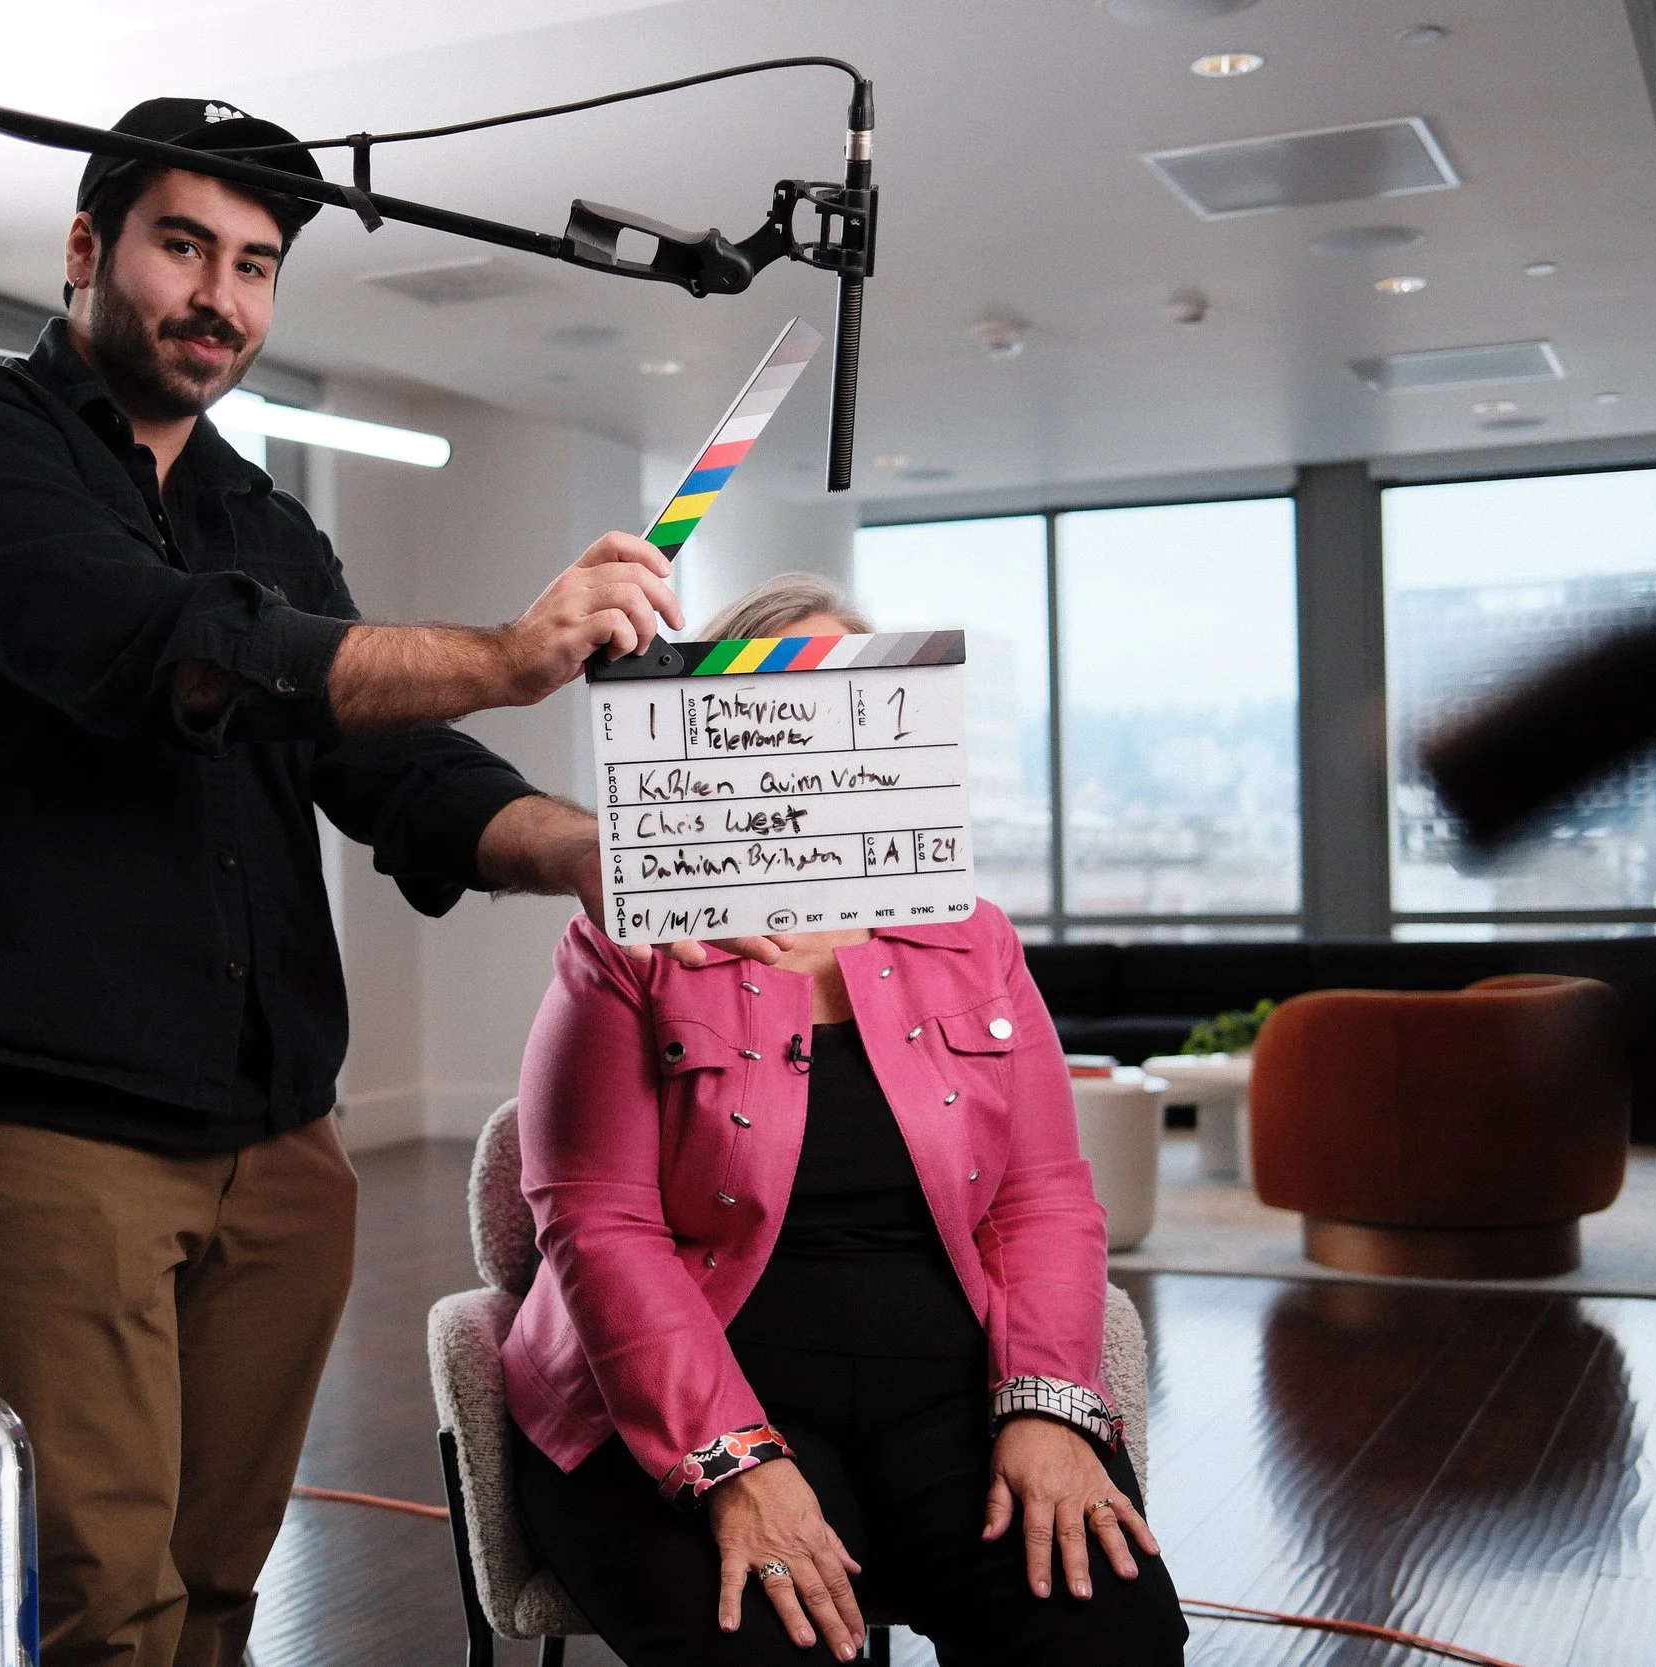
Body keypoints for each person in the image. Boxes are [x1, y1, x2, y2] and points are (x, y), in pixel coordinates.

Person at [0, 97, 739, 1667]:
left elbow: (397, 773)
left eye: (256, 265)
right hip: (33, 1129)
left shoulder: (263, 518)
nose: (222, 299)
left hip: (272, 1143)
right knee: (97, 1615)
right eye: (185, 246)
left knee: (217, 1598)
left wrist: (602, 852)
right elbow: (173, 658)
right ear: (86, 249)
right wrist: (513, 655)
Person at [502, 577, 1189, 1665]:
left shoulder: (973, 935)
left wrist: (1050, 1409)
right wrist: (729, 1461)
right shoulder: (629, 943)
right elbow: (596, 1225)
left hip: (947, 1387)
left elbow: (1045, 1195)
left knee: (1109, 1632)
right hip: (683, 1384)